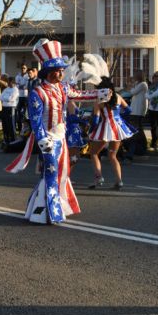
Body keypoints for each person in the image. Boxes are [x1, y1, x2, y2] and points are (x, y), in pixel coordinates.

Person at [24, 39, 111, 224]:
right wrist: (42, 140)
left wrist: (100, 94)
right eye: (58, 70)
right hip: (48, 139)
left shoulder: (63, 88)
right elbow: (35, 120)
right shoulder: (37, 93)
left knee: (62, 173)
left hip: (61, 137)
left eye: (63, 69)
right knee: (50, 173)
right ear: (48, 72)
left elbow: (80, 94)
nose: (62, 73)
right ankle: (48, 213)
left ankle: (46, 209)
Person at [88, 77, 135, 190]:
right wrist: (119, 117)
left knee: (93, 153)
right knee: (113, 155)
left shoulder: (99, 101)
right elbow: (129, 110)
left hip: (105, 128)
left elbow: (95, 120)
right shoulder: (118, 97)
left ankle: (99, 177)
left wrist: (91, 131)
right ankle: (119, 181)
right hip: (118, 128)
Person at [125, 71, 149, 161]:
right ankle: (140, 147)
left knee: (136, 130)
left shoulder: (143, 84)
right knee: (138, 130)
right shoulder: (138, 84)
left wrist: (130, 86)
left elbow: (132, 92)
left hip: (138, 111)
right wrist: (130, 84)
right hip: (135, 110)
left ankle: (133, 150)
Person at [0, 77, 18, 144]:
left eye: (10, 82)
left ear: (13, 82)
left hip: (11, 108)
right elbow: (1, 97)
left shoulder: (15, 90)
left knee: (11, 125)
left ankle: (13, 140)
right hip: (4, 108)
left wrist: (6, 98)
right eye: (8, 82)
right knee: (5, 124)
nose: (9, 83)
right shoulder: (6, 89)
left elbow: (11, 99)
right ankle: (6, 139)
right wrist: (6, 98)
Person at [15, 64, 29, 132]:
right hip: (19, 96)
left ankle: (26, 128)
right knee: (19, 112)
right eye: (22, 68)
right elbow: (17, 85)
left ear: (26, 69)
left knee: (26, 113)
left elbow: (26, 86)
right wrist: (22, 86)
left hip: (26, 96)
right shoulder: (18, 76)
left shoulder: (28, 76)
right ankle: (19, 128)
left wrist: (21, 86)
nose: (23, 69)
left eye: (24, 68)